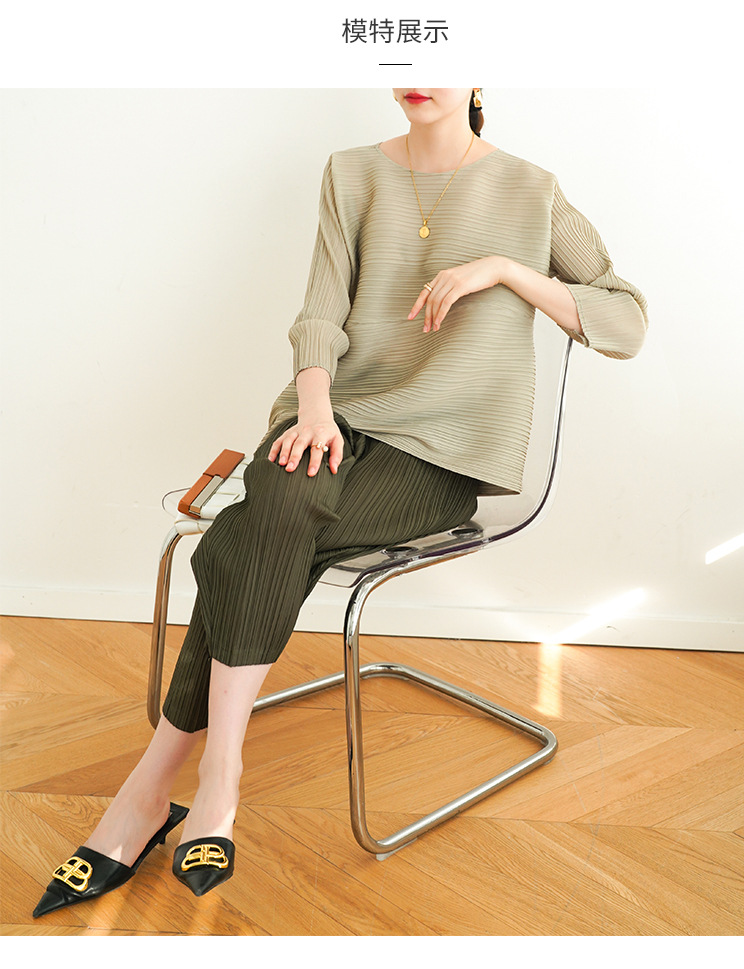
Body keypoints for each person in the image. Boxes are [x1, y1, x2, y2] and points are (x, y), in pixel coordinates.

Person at [33, 88, 648, 916]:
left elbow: (627, 320)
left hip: (439, 457)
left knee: (243, 538)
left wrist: (507, 269)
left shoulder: (531, 190)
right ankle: (214, 782)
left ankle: (153, 789)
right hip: (335, 419)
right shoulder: (352, 173)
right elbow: (321, 309)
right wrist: (314, 408)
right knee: (278, 510)